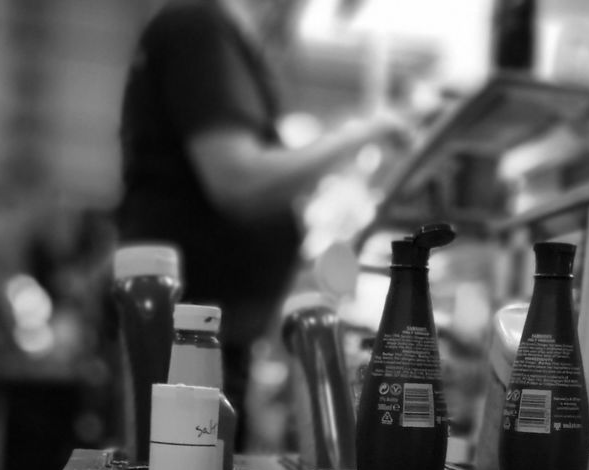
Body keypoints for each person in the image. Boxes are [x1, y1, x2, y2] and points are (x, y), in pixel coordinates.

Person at [117, 0, 409, 446]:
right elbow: (238, 181)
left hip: (206, 339)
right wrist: (360, 135)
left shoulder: (213, 38)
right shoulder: (200, 27)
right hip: (185, 346)